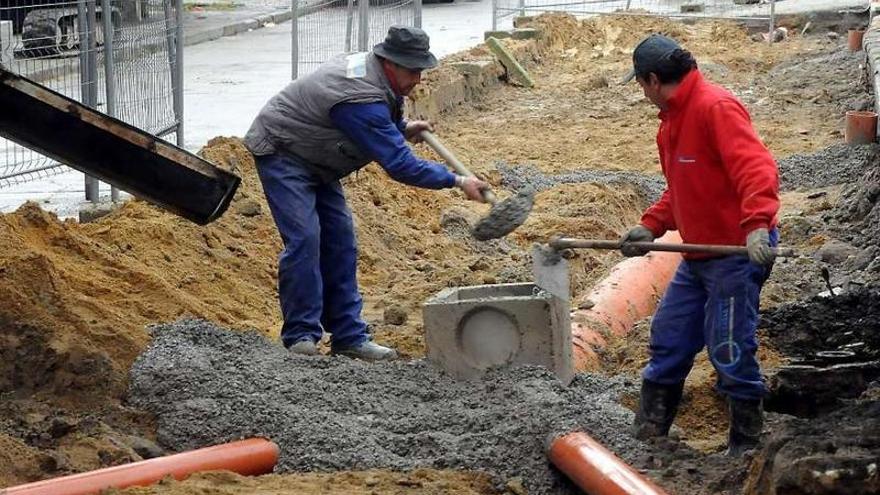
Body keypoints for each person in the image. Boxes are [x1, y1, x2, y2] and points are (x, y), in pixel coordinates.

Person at [244, 25, 488, 361]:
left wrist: (401, 128)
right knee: (305, 239)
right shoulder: (360, 98)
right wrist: (458, 182)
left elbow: (376, 117)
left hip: (320, 156)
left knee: (341, 241)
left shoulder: (376, 78)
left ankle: (349, 337)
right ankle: (300, 336)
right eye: (413, 70)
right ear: (391, 62)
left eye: (421, 70)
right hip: (284, 151)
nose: (418, 79)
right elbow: (401, 165)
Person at [619, 34, 780, 456]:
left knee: (727, 345)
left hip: (736, 253)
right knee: (669, 337)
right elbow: (684, 188)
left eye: (640, 84)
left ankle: (746, 445)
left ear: (653, 80)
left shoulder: (715, 108)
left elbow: (756, 169)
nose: (642, 93)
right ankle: (651, 431)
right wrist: (650, 225)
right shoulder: (671, 122)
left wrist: (758, 224)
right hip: (699, 254)